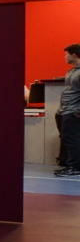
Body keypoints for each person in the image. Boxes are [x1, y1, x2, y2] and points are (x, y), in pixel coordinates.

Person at [57, 46, 80, 176]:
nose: (65, 57)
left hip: (73, 111)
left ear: (75, 55)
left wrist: (78, 111)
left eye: (67, 54)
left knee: (71, 139)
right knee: (66, 138)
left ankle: (76, 166)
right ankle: (70, 164)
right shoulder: (72, 71)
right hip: (64, 110)